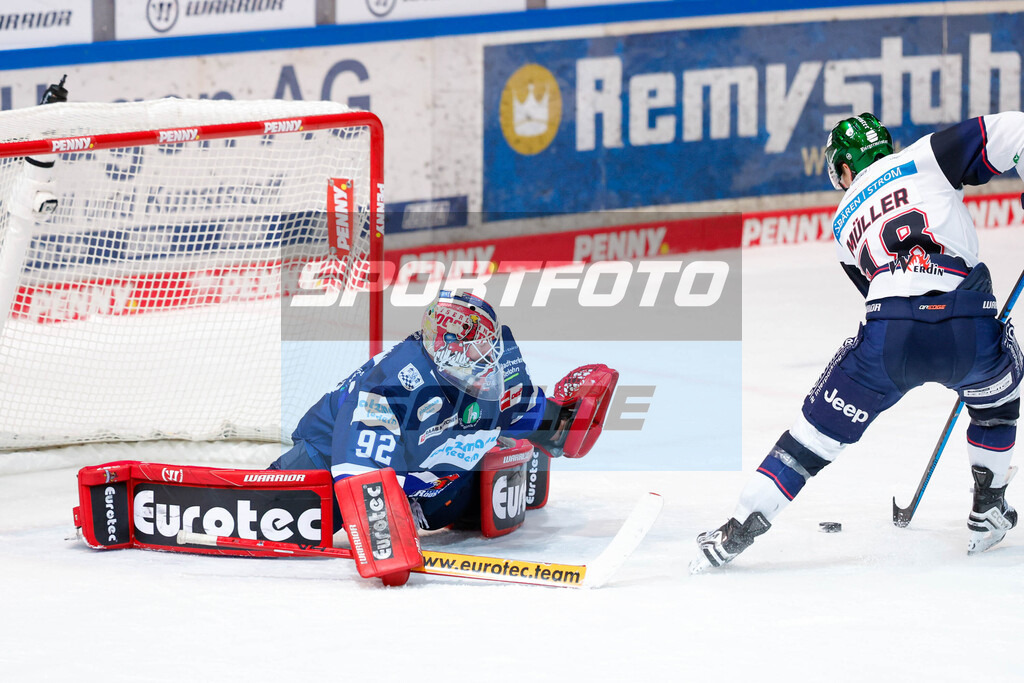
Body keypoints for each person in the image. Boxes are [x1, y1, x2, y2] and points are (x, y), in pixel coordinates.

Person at [690, 112, 1024, 573]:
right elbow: (1016, 130)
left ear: (845, 168)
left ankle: (738, 528)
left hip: (891, 337)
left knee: (811, 439)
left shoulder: (843, 222)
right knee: (998, 402)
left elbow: (878, 293)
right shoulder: (924, 157)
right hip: (968, 326)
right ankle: (989, 506)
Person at [271, 289, 617, 536]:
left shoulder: (482, 366)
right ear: (450, 346)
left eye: (489, 340)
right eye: (480, 342)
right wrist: (389, 538)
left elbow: (521, 412)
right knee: (281, 521)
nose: (491, 350)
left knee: (471, 502)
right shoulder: (393, 384)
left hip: (421, 480)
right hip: (326, 461)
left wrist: (563, 423)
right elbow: (358, 475)